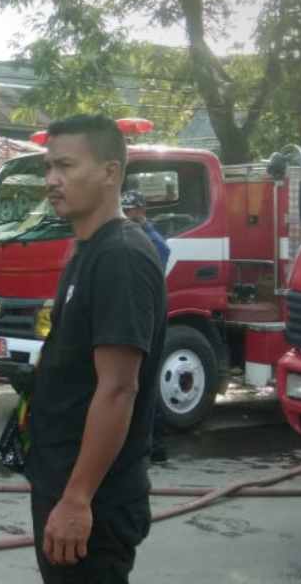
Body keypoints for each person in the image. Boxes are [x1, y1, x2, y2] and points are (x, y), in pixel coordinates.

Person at [26, 115, 166, 583]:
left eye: (65, 166)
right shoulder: (86, 248)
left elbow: (119, 388)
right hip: (62, 480)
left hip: (95, 500)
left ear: (110, 172)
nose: (52, 180)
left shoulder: (120, 257)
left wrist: (77, 498)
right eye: (48, 167)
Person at [122, 190, 171, 464]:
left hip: (146, 317)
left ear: (141, 210)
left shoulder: (151, 240)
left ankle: (155, 444)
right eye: (125, 211)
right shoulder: (133, 235)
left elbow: (159, 259)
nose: (128, 215)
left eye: (131, 211)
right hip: (137, 315)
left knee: (144, 381)